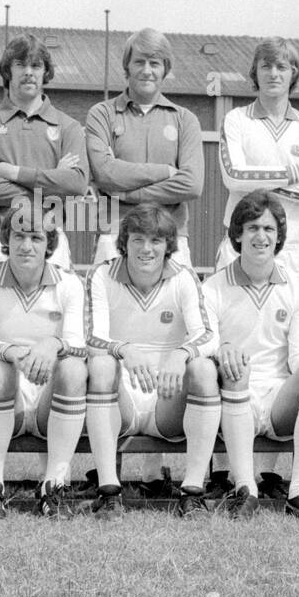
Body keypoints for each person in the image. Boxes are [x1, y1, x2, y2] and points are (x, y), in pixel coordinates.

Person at [203, 192, 299, 519]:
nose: (261, 236)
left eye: (269, 229)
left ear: (278, 237)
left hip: (279, 399)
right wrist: (222, 350)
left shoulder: (295, 289)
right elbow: (202, 344)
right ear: (237, 234)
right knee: (235, 370)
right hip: (236, 398)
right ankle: (245, 489)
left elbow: (297, 359)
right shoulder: (212, 287)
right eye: (252, 228)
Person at [85, 204, 220, 518]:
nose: (146, 249)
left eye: (156, 241)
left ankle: (193, 492)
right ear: (125, 242)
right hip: (124, 400)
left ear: (168, 246)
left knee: (202, 368)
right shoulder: (102, 275)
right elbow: (91, 338)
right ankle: (109, 492)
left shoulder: (183, 277)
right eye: (138, 240)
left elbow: (208, 334)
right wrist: (125, 350)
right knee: (102, 364)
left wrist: (180, 353)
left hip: (167, 397)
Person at [0, 208, 88, 519]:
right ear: (6, 239)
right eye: (19, 236)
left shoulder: (69, 283)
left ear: (49, 244)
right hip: (9, 392)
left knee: (74, 368)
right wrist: (13, 353)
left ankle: (54, 487)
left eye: (36, 238)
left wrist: (52, 343)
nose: (26, 245)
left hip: (51, 395)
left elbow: (78, 341)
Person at [0, 33, 88, 272]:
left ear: (46, 72)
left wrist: (14, 172)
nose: (29, 72)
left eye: (36, 65)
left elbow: (76, 186)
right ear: (7, 72)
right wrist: (53, 183)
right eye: (20, 64)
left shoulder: (69, 127)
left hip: (46, 236)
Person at [217, 37, 299, 285]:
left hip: (291, 248)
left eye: (282, 67)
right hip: (241, 245)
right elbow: (234, 178)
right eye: (266, 66)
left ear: (294, 73)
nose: (273, 74)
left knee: (293, 323)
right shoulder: (236, 119)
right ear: (255, 73)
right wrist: (292, 174)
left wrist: (256, 182)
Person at [85, 28, 203, 267]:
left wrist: (126, 193)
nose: (147, 70)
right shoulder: (101, 114)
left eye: (155, 63)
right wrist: (166, 172)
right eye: (139, 62)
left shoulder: (185, 119)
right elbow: (104, 174)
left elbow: (192, 184)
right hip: (115, 233)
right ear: (127, 67)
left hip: (172, 236)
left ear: (165, 69)